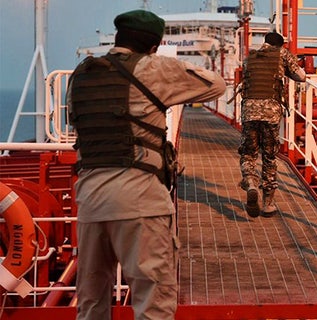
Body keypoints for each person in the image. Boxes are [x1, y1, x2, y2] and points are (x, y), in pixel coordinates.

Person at [68, 10, 226, 320]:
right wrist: (170, 66)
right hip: (139, 200)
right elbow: (216, 85)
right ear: (153, 45)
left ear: (117, 38)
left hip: (89, 201)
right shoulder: (154, 68)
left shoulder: (81, 74)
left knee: (90, 303)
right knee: (153, 300)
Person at [238, 31, 306, 218]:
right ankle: (268, 203)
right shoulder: (282, 54)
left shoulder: (249, 58)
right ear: (280, 45)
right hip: (270, 112)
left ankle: (251, 182)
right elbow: (301, 76)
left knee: (248, 153)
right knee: (269, 156)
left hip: (249, 111)